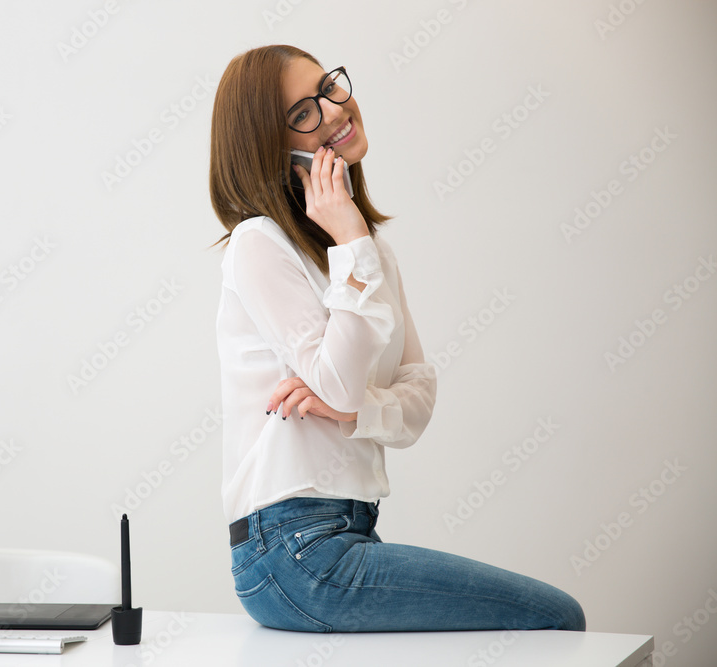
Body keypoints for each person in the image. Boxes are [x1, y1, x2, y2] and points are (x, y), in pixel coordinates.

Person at [209, 44, 585, 633]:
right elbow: (337, 380)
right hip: (291, 552)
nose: (334, 109)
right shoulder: (262, 243)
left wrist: (354, 410)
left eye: (329, 87)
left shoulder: (370, 253)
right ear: (268, 145)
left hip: (348, 532)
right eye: (303, 113)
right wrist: (350, 238)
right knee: (555, 617)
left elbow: (417, 397)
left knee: (550, 619)